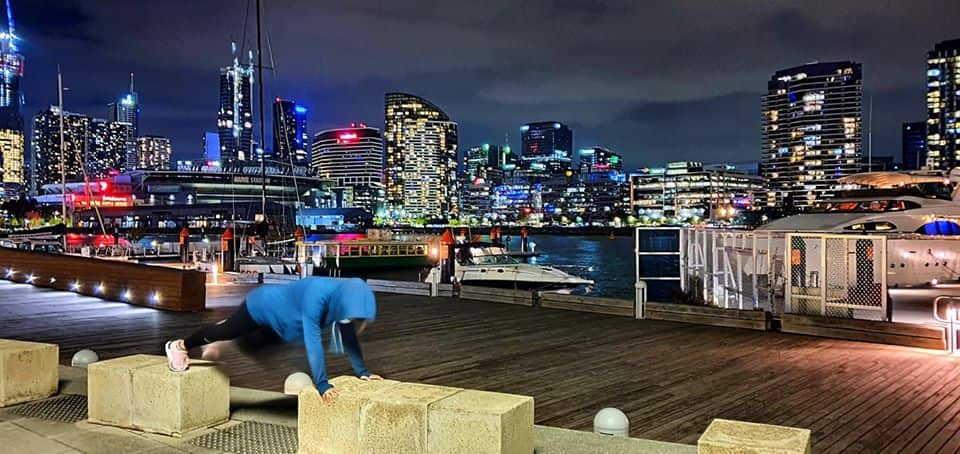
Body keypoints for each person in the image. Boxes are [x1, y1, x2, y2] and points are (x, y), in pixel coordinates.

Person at [164, 277, 381, 403]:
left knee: (257, 350)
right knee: (227, 331)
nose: (350, 320)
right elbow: (312, 340)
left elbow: (348, 334)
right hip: (262, 307)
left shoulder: (345, 301)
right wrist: (322, 384)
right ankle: (180, 346)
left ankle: (230, 334)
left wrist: (364, 372)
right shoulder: (318, 294)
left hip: (283, 327)